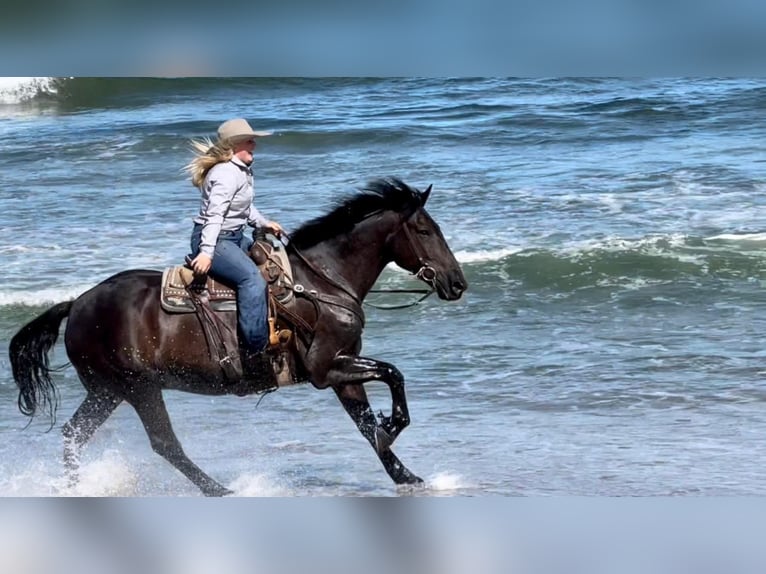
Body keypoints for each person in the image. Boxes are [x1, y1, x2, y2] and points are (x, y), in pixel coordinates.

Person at [185, 118, 283, 386]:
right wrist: (205, 253)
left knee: (273, 263)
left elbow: (243, 207)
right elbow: (215, 216)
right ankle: (255, 354)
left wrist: (264, 223)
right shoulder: (226, 174)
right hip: (215, 240)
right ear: (234, 144)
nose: (255, 144)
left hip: (233, 236)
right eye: (250, 140)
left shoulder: (241, 170)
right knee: (252, 279)